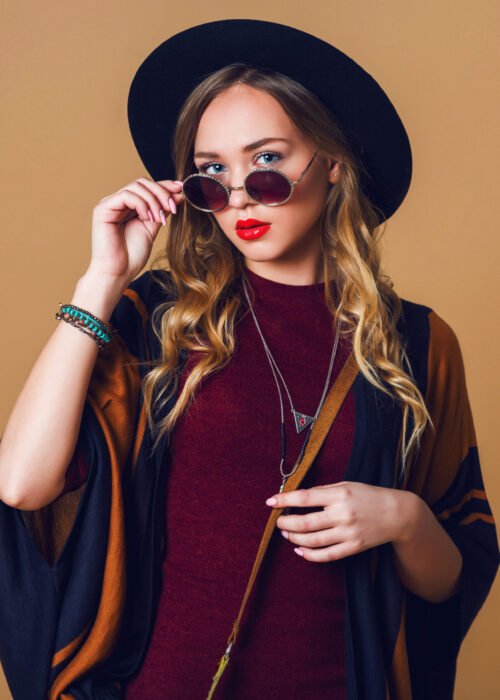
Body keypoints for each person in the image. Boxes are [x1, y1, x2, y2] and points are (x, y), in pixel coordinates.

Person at [0, 18, 498, 700]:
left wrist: (403, 519)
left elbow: (457, 571)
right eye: (211, 175)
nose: (237, 197)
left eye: (266, 164)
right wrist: (101, 280)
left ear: (332, 164)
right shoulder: (158, 319)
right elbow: (22, 486)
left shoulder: (417, 342)